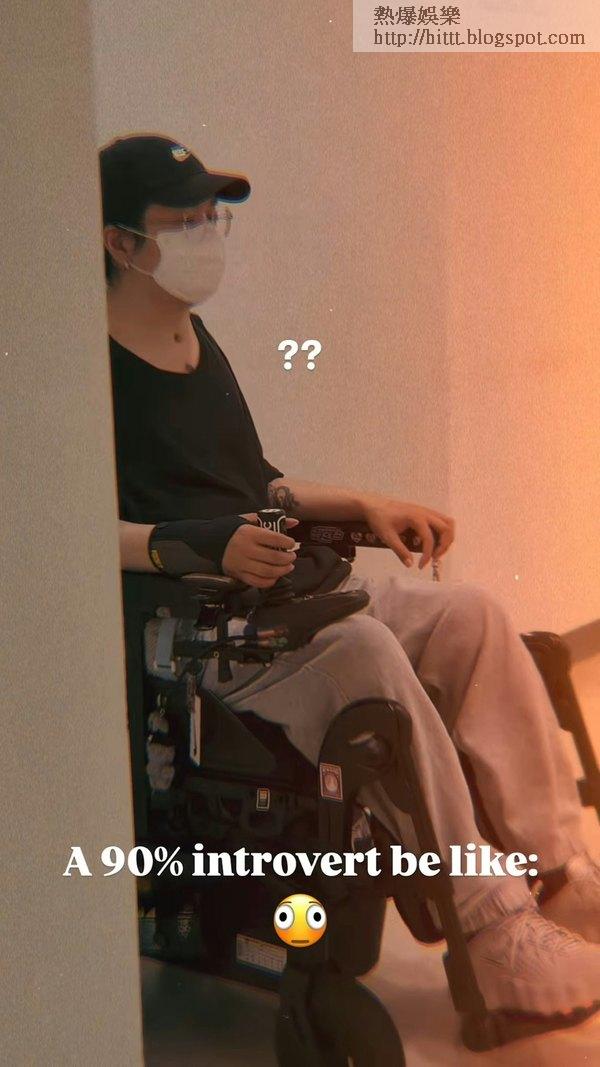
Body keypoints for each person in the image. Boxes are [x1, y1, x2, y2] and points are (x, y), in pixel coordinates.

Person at [101, 133, 600, 1025]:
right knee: (363, 649)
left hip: (287, 591)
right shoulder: (85, 371)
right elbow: (74, 535)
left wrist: (365, 503)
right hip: (207, 630)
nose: (207, 234)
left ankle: (559, 874)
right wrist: (201, 546)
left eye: (213, 216)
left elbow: (255, 485)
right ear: (120, 241)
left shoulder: (191, 336)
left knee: (470, 615)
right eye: (184, 221)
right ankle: (492, 929)